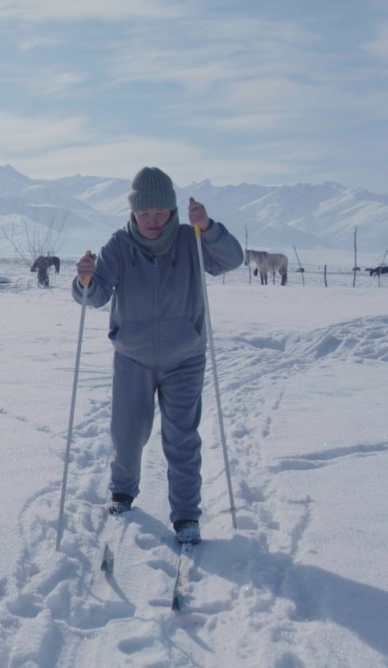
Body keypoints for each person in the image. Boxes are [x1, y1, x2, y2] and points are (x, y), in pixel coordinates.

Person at [72, 166, 243, 545]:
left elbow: (232, 260)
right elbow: (96, 295)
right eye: (145, 212)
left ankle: (186, 515)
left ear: (172, 211)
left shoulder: (190, 239)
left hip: (185, 356)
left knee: (182, 438)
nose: (153, 220)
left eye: (160, 212)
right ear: (133, 212)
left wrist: (209, 226)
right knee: (128, 433)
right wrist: (84, 279)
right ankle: (123, 490)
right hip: (132, 357)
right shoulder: (118, 245)